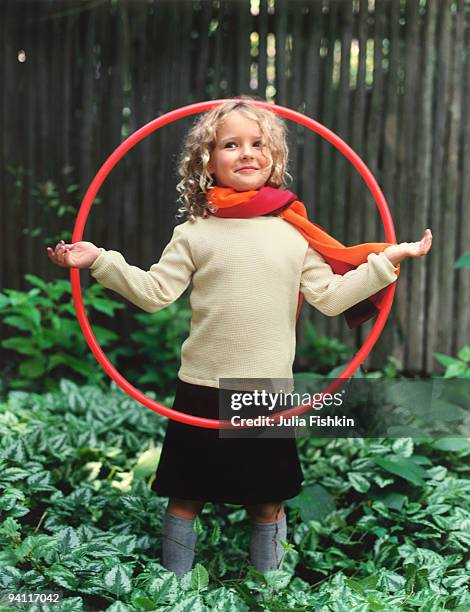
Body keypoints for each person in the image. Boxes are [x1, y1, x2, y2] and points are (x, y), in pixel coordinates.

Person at [47, 97, 432, 581]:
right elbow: (153, 293)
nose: (247, 153)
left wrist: (386, 260)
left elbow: (331, 298)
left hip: (265, 391)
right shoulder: (195, 233)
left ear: (274, 159)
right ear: (207, 161)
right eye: (231, 144)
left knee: (266, 501)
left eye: (258, 144)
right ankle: (173, 587)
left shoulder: (293, 233)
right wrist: (100, 259)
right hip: (203, 385)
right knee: (186, 495)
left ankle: (269, 588)